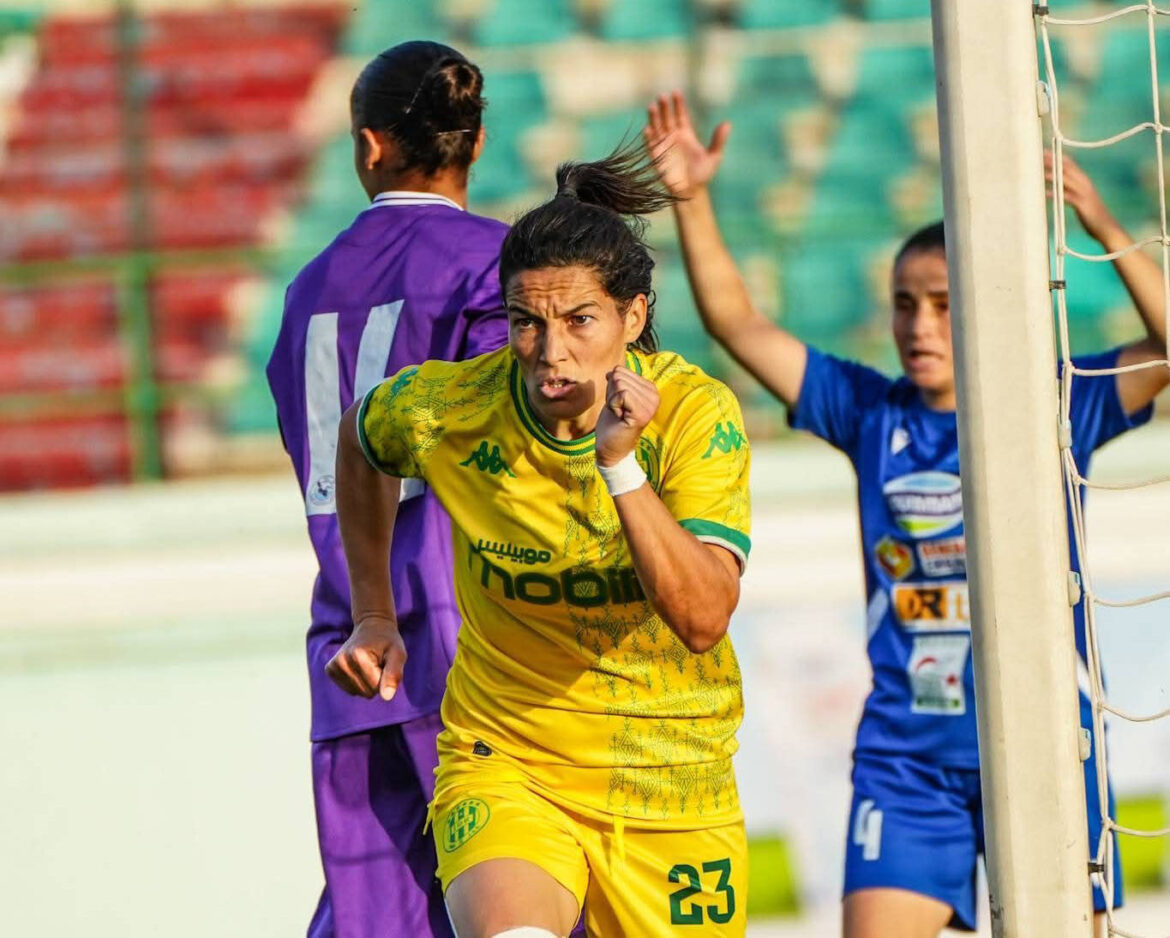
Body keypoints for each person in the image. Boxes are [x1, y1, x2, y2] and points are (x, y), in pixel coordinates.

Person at [644, 90, 1168, 938]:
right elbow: (738, 324)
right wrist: (694, 200)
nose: (918, 325)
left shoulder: (1056, 405)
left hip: (1045, 747)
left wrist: (1106, 226)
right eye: (903, 302)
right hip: (908, 762)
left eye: (944, 302)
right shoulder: (869, 410)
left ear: (989, 299)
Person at [326, 143, 754, 938]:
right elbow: (360, 439)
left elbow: (702, 619)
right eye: (527, 322)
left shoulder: (697, 418)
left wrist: (621, 468)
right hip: (509, 762)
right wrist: (373, 613)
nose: (551, 352)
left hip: (672, 784)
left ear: (631, 317)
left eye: (579, 321)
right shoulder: (452, 407)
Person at [266, 40, 508, 938]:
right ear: (475, 143)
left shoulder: (305, 289)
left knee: (377, 918)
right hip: (475, 637)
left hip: (351, 647)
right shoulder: (500, 265)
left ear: (369, 146)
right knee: (524, 899)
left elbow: (313, 448)